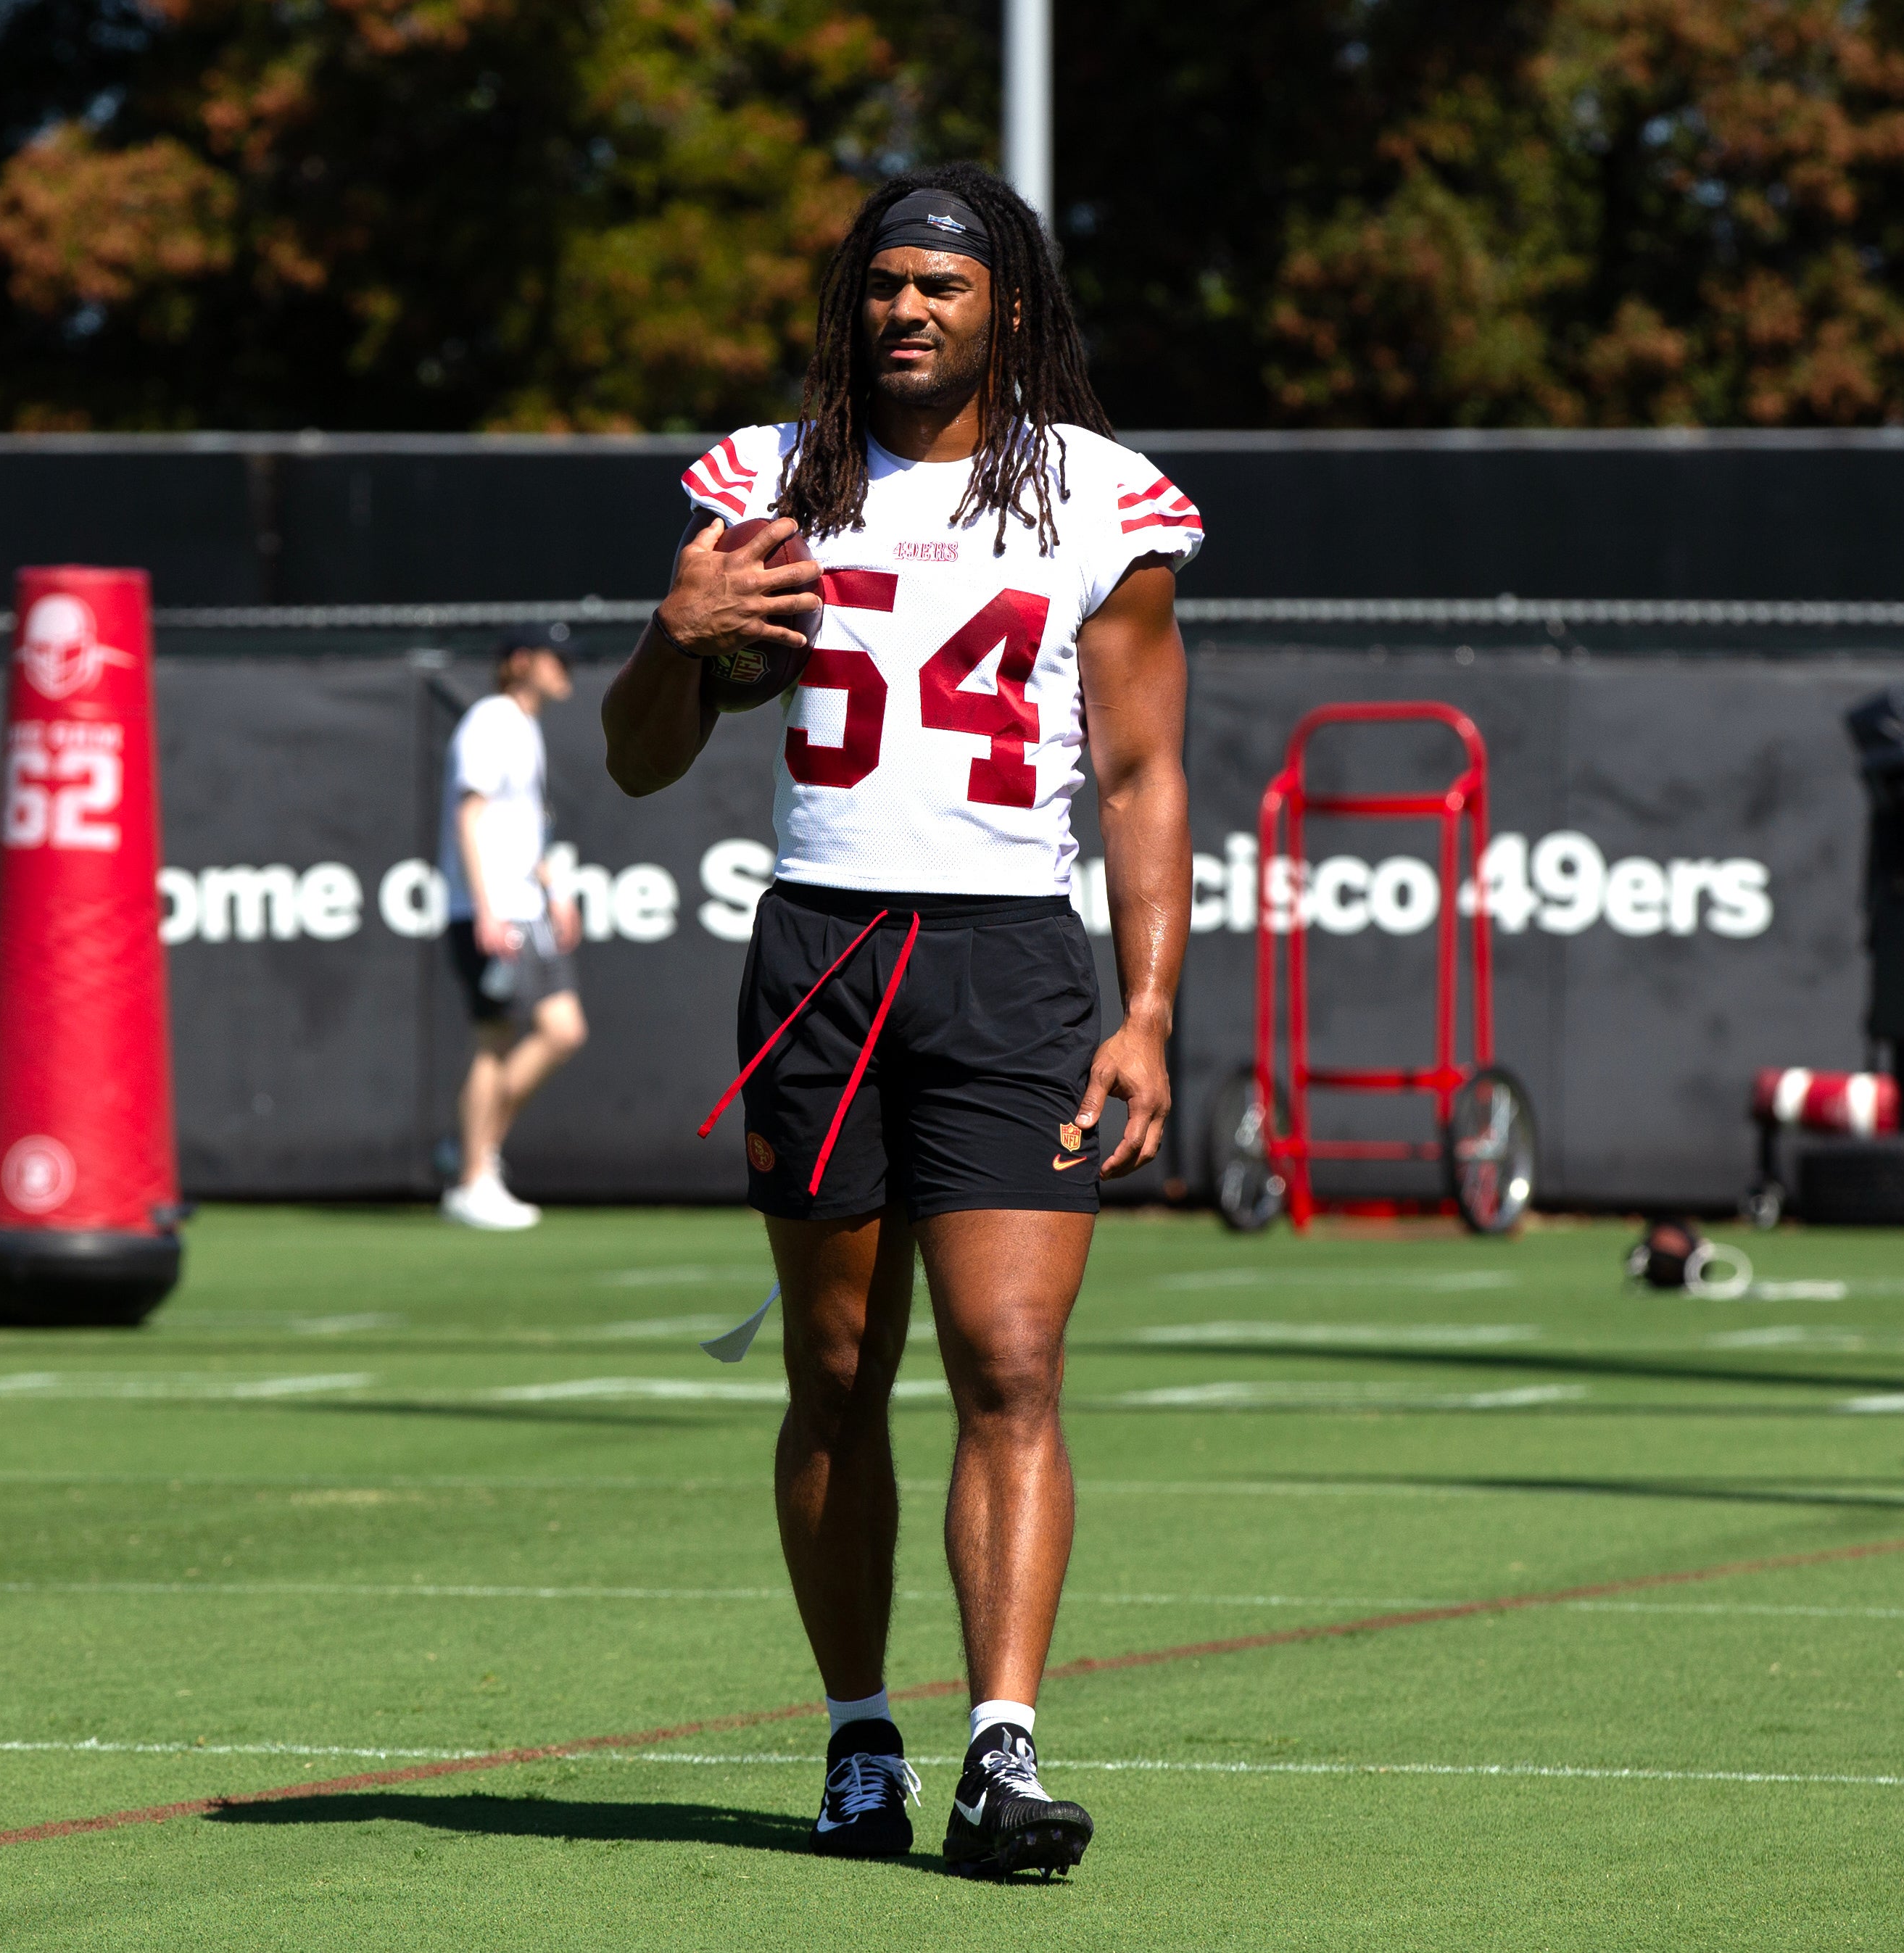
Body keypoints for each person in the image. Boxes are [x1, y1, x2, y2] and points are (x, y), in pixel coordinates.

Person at [599, 164, 1198, 1878]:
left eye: (942, 283)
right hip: (823, 950)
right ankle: (861, 1730)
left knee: (1010, 1356)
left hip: (1011, 957)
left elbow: (1146, 772)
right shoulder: (768, 484)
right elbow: (643, 755)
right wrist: (676, 632)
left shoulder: (1099, 496)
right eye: (884, 284)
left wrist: (1147, 1007)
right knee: (839, 1364)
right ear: (850, 303)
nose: (909, 308)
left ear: (1007, 303)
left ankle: (1001, 1747)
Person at [440, 629, 588, 1230]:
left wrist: (555, 891)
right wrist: (486, 908)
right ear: (521, 663)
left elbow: (524, 828)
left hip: (527, 908)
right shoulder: (491, 720)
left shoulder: (524, 725)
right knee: (494, 1040)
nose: (567, 670)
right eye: (557, 658)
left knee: (564, 1029)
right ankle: (474, 1179)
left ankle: (476, 1147)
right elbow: (470, 813)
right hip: (492, 911)